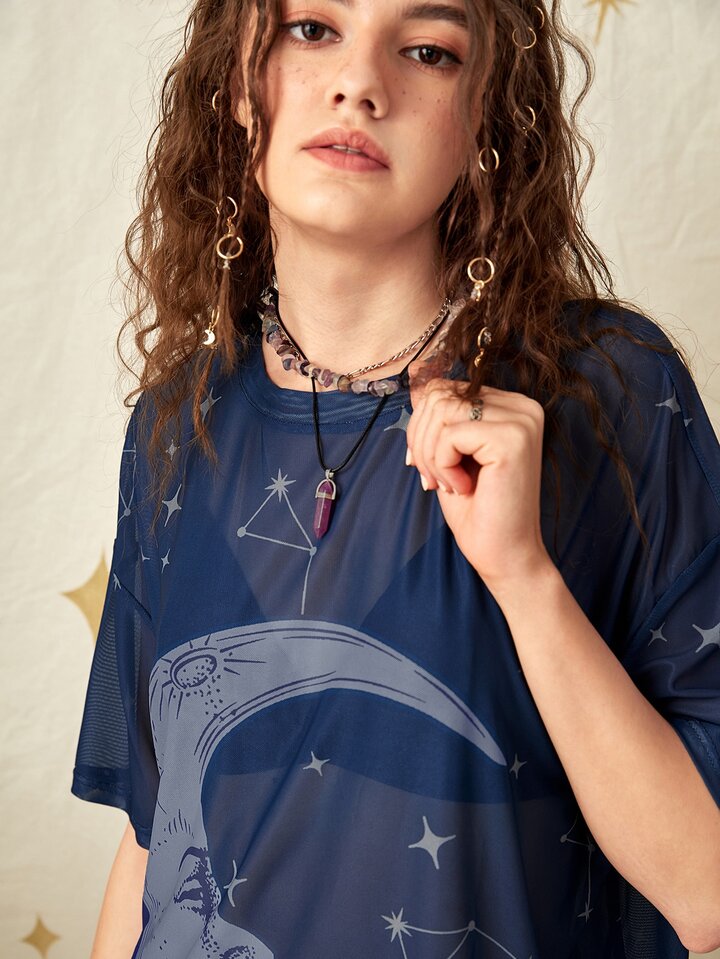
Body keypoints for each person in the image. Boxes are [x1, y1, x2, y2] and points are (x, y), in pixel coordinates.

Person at [71, 1, 720, 957]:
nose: (359, 84)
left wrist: (524, 576)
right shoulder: (177, 422)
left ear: (486, 117)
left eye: (427, 50)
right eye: (311, 29)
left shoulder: (610, 393)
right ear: (237, 84)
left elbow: (707, 890)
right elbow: (151, 847)